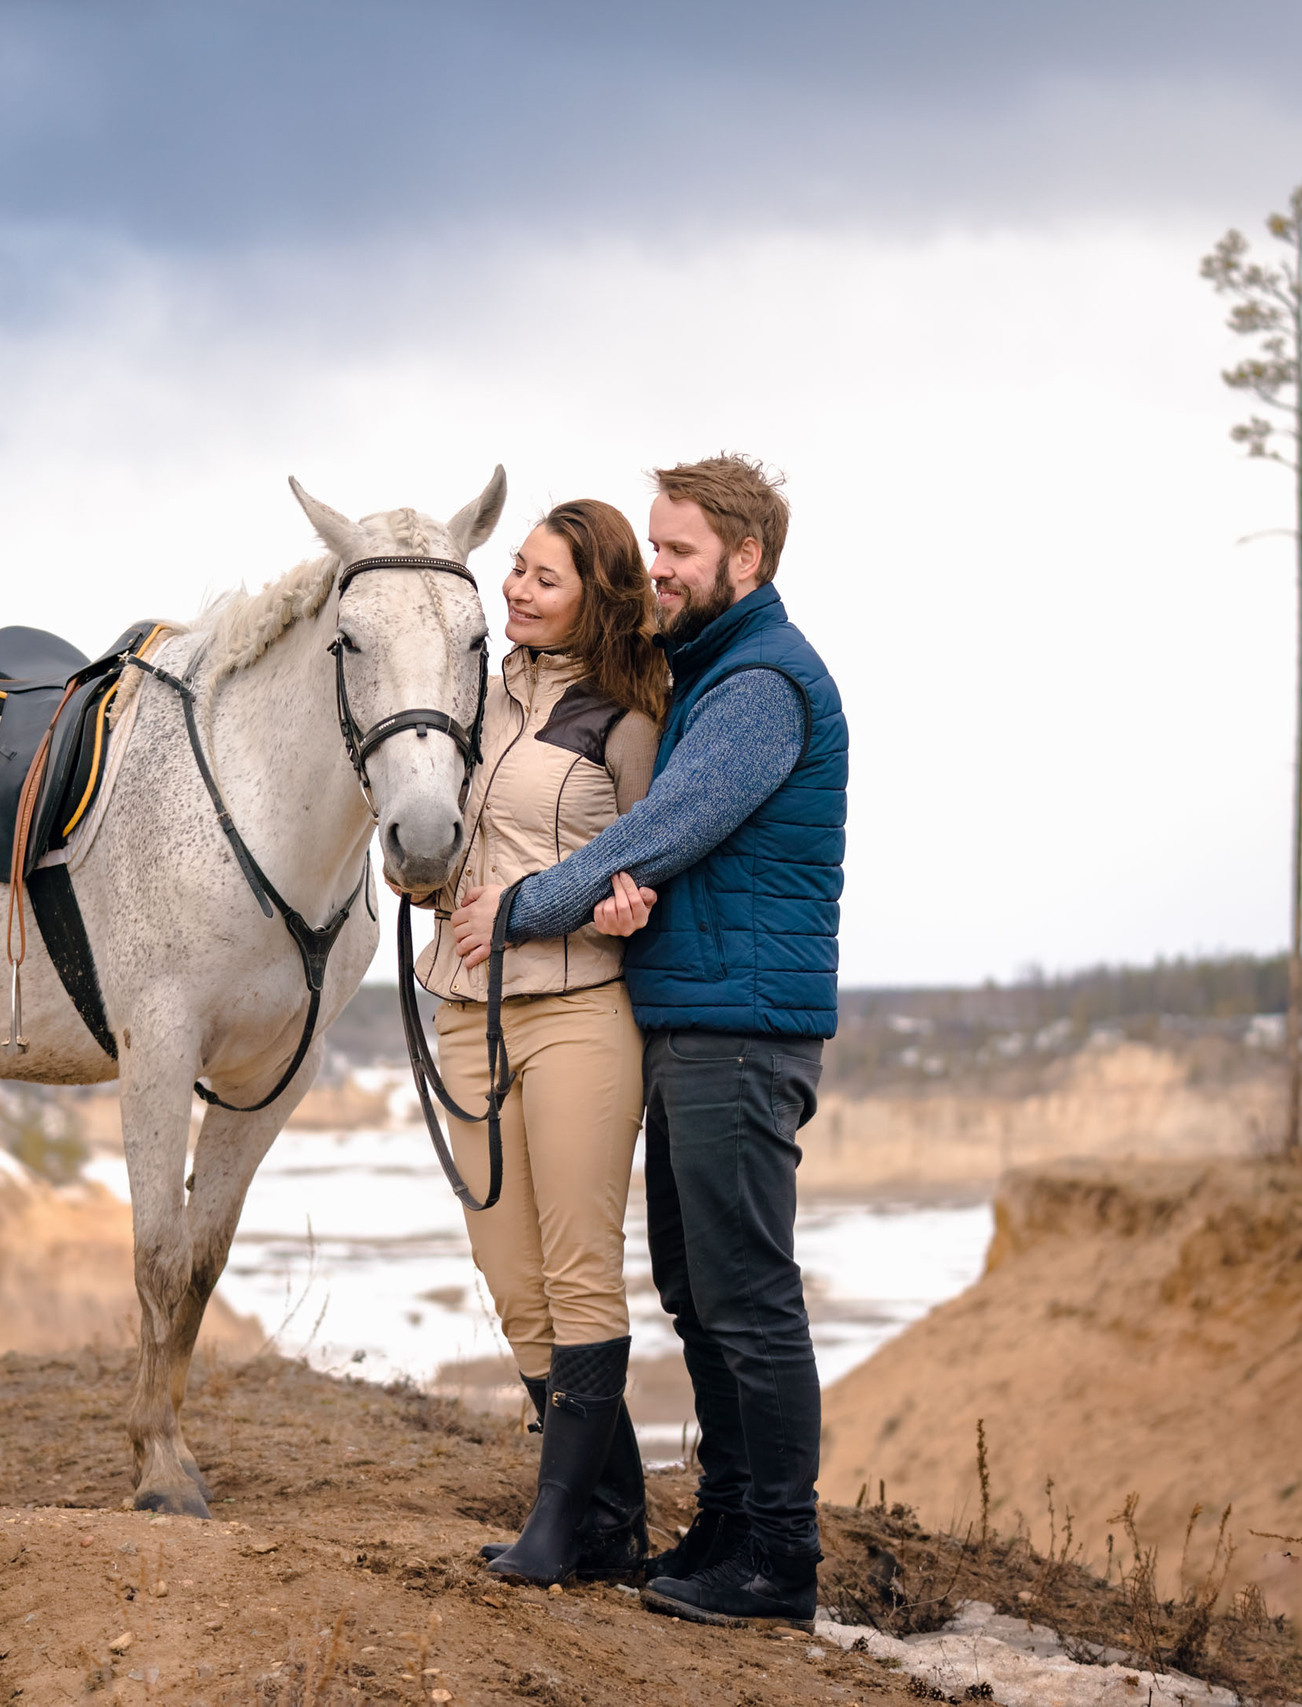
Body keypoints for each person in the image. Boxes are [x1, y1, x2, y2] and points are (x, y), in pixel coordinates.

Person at [449, 453, 846, 1630]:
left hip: (740, 1024)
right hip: (686, 1014)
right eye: (657, 549)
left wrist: (529, 904)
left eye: (679, 552)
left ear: (746, 558)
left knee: (748, 1298)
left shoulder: (762, 685)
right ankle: (726, 1522)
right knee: (697, 1291)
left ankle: (779, 1553)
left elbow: (672, 823)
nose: (660, 570)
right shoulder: (704, 670)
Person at [408, 497, 669, 1585]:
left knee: (575, 1272)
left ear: (595, 599)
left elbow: (649, 866)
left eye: (544, 578)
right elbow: (431, 836)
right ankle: (610, 1521)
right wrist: (416, 870)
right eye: (514, 569)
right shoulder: (468, 703)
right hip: (464, 1012)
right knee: (511, 1284)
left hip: (576, 1016)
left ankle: (560, 1528)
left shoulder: (626, 718)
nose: (515, 588)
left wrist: (604, 903)